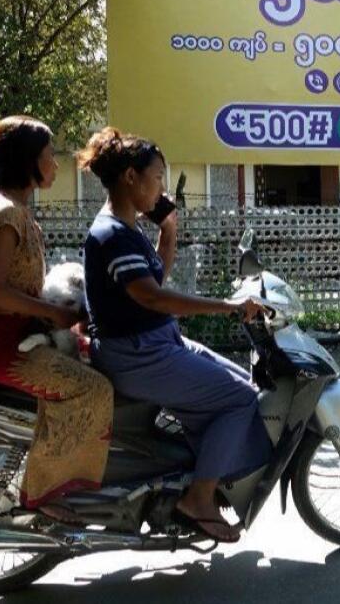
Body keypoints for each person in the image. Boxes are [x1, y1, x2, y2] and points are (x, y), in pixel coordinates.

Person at [78, 127, 269, 543]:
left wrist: (169, 228)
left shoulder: (126, 230)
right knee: (238, 400)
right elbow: (154, 297)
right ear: (131, 177)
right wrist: (230, 307)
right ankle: (198, 498)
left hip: (157, 342)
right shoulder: (112, 234)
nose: (163, 186)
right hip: (138, 354)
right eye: (159, 177)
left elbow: (155, 280)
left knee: (243, 384)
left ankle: (200, 474)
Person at [0, 115, 112, 524]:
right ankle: (43, 493)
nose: (56, 165)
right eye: (48, 156)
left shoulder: (12, 209)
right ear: (28, 161)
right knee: (93, 390)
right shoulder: (7, 213)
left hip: (16, 335)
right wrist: (54, 313)